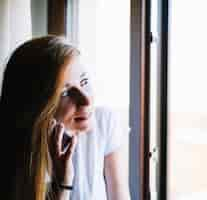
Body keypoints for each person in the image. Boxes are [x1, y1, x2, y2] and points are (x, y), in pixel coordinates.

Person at [0, 35, 130, 200]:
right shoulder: (14, 157)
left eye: (84, 81)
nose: (86, 100)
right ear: (37, 106)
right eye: (65, 93)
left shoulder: (104, 123)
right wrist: (62, 184)